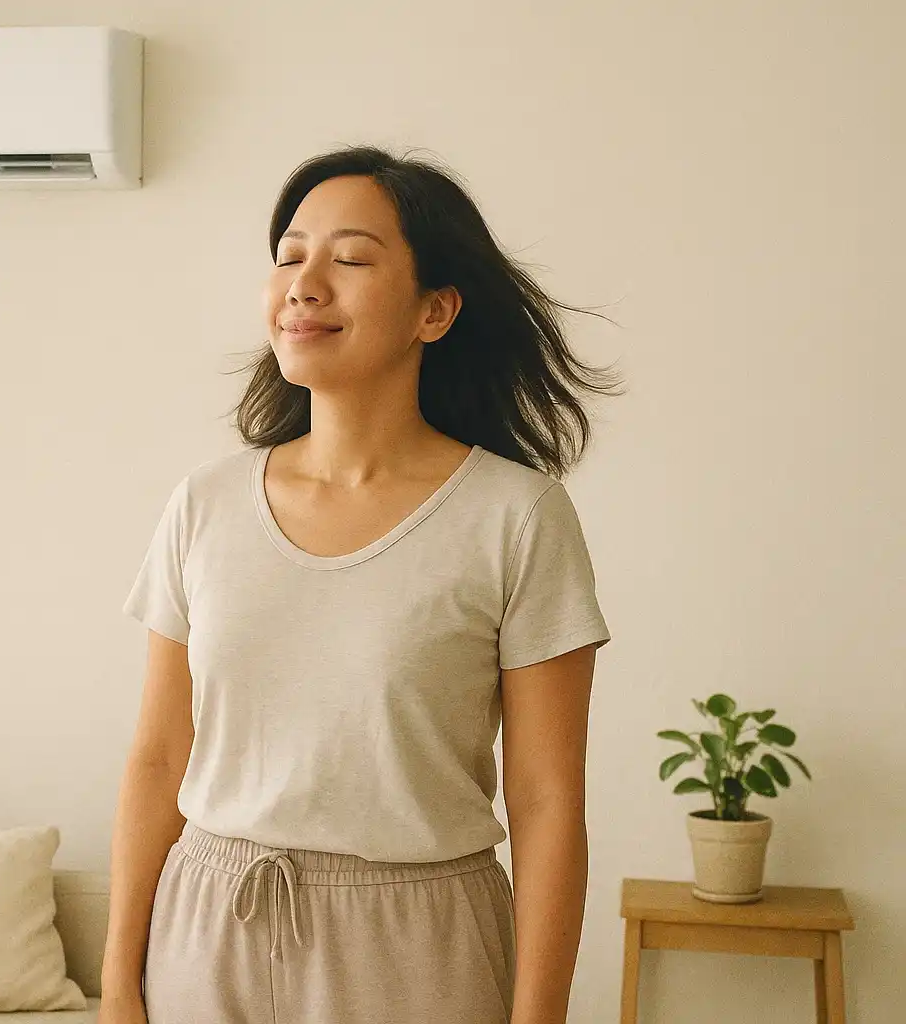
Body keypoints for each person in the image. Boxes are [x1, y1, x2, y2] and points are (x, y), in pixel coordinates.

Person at [97, 145, 623, 1024]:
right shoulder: (205, 504)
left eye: (348, 259)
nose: (304, 284)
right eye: (288, 256)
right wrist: (120, 987)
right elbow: (157, 759)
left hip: (418, 945)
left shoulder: (517, 517)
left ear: (435, 310)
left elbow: (546, 801)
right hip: (207, 929)